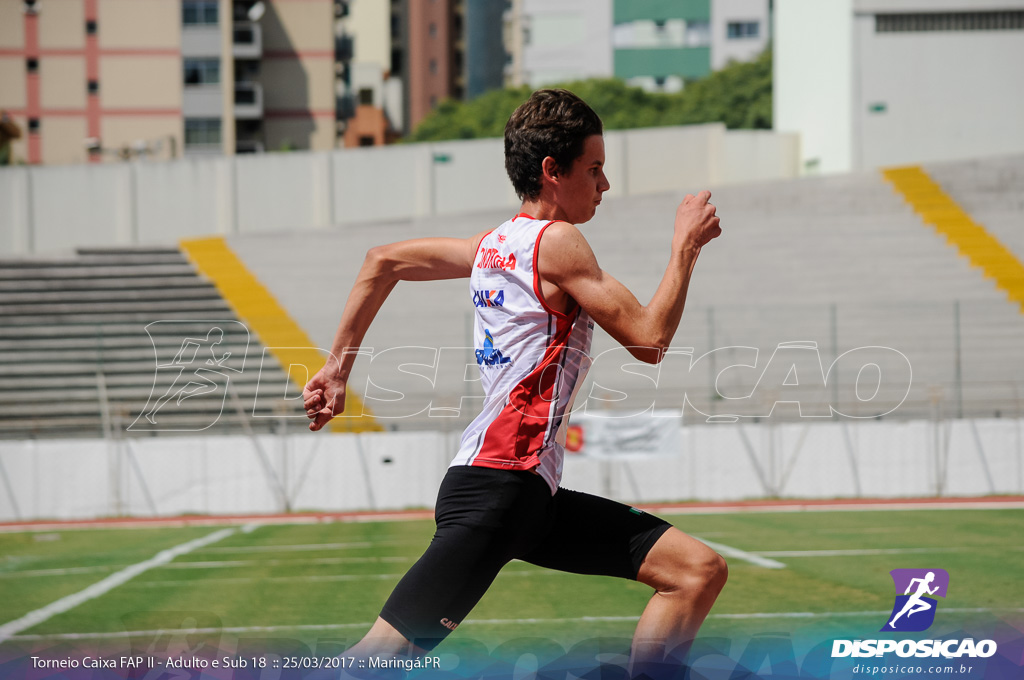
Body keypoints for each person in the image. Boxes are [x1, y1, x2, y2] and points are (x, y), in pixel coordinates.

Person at [302, 89, 726, 677]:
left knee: (694, 571)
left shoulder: (493, 247)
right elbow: (649, 340)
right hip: (499, 491)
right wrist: (685, 249)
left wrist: (337, 367)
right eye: (595, 169)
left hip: (529, 495)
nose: (605, 185)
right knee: (378, 659)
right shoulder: (556, 242)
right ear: (553, 172)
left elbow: (382, 260)